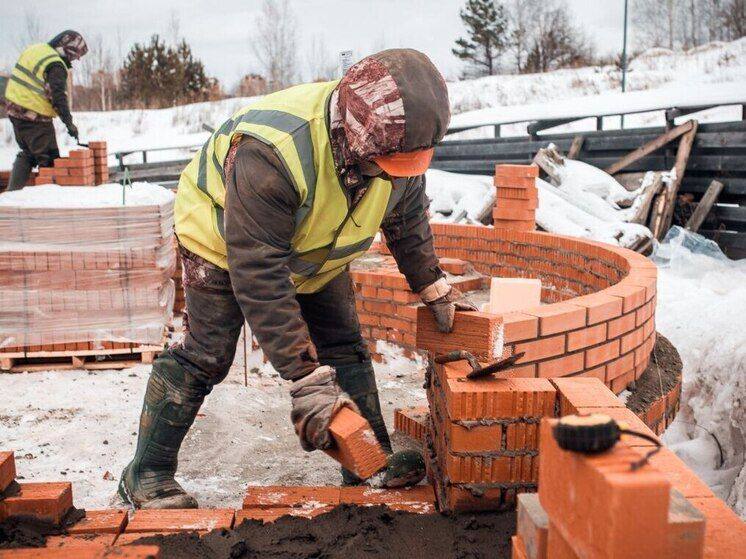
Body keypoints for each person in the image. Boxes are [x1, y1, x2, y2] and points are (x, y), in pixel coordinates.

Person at [118, 48, 476, 509]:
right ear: (352, 135)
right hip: (226, 242)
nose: (393, 174)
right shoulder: (272, 152)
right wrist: (304, 379)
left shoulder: (400, 144)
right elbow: (260, 272)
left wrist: (433, 286)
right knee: (207, 354)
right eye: (383, 164)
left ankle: (370, 461)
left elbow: (406, 218)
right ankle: (146, 473)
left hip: (315, 247)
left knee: (345, 346)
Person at [3, 30, 87, 191]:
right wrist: (69, 123)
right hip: (33, 116)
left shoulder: (37, 50)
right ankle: (50, 202)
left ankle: (10, 196)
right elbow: (58, 98)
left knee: (28, 152)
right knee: (49, 160)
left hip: (15, 112)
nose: (73, 60)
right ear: (66, 49)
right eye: (74, 55)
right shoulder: (55, 65)